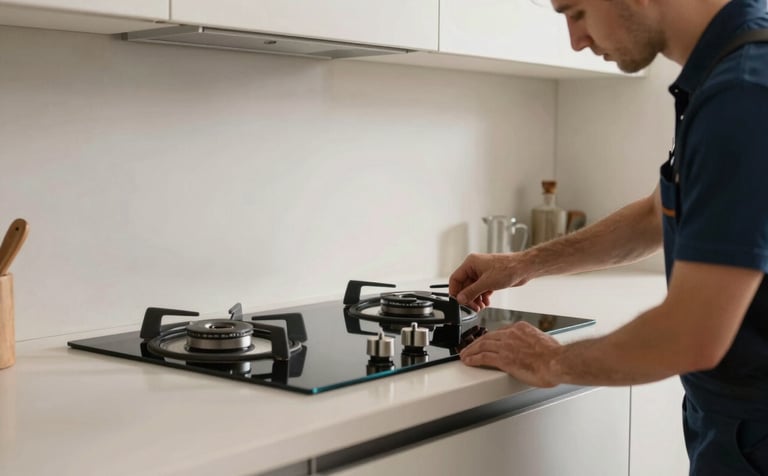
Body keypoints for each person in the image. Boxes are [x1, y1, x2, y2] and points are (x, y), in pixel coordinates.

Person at [448, 0, 768, 474]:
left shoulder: (742, 93)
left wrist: (550, 361)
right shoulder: (733, 64)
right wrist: (524, 263)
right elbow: (657, 213)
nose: (575, 39)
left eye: (575, 11)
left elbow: (690, 335)